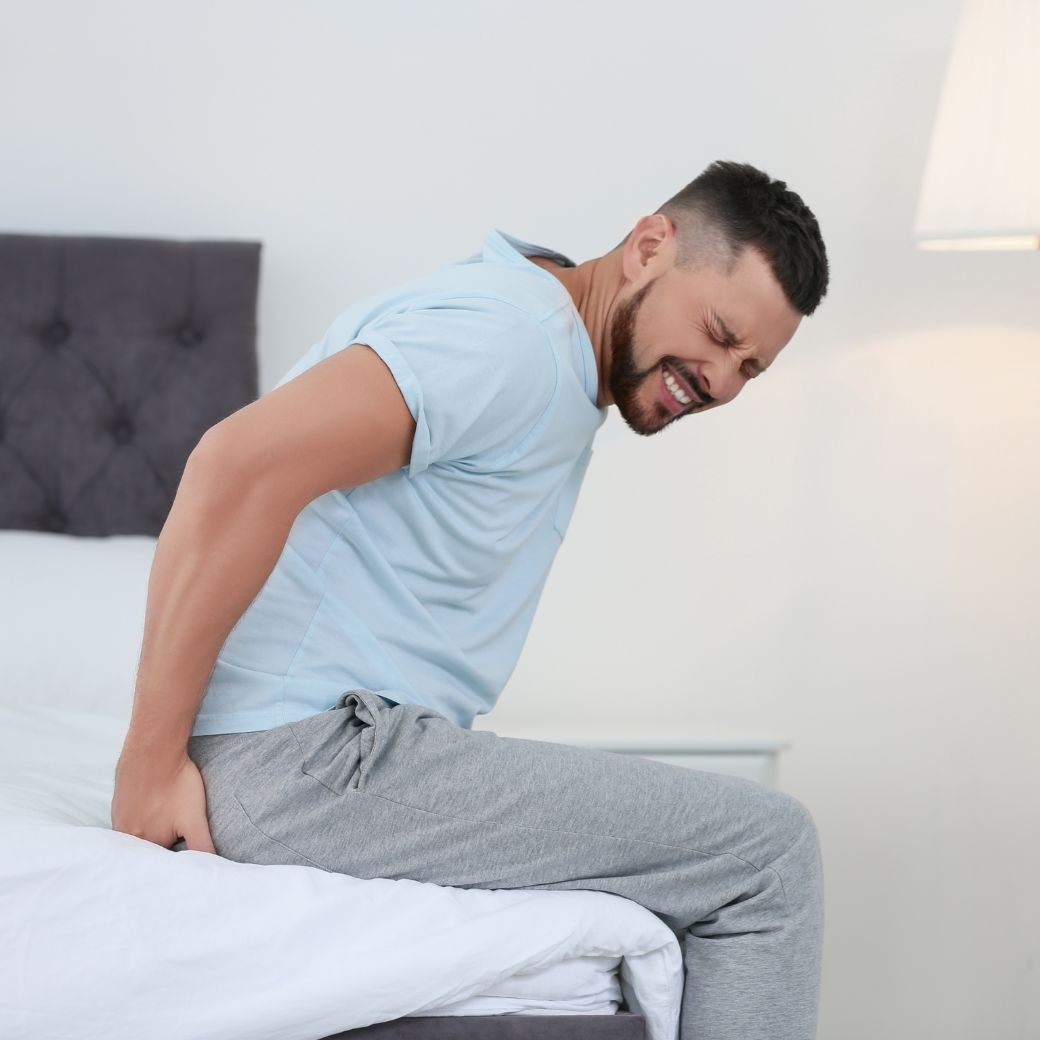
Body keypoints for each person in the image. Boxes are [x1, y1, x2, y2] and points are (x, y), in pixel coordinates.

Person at [111, 158, 830, 1040]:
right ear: (649, 246)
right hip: (304, 758)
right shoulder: (512, 342)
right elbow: (235, 465)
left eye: (749, 367)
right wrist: (147, 766)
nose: (720, 380)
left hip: (314, 749)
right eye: (719, 333)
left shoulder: (544, 339)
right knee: (766, 853)